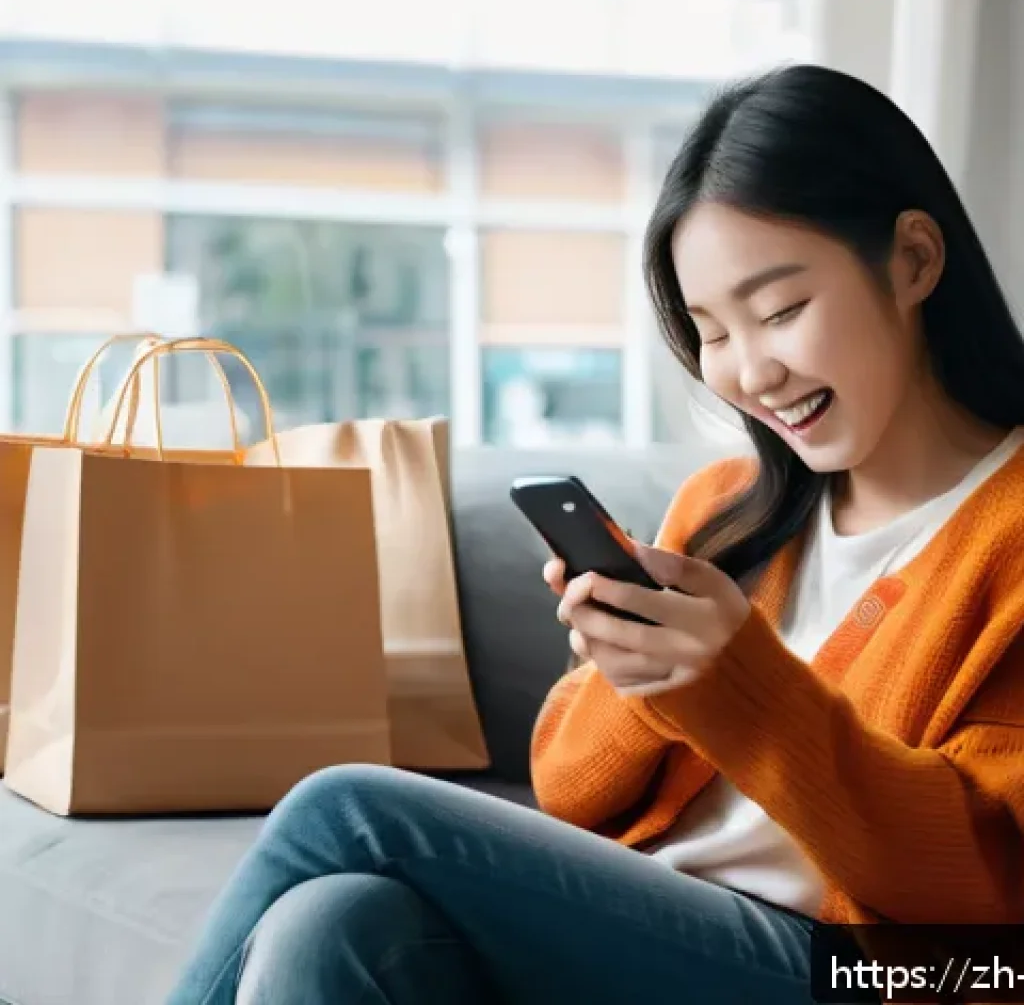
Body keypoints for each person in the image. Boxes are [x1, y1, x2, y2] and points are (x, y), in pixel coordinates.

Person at [167, 63, 1024, 1005]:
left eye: (780, 311)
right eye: (712, 331)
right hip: (659, 943)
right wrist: (645, 680)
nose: (750, 372)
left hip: (891, 977)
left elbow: (981, 888)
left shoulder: (1009, 532)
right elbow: (570, 790)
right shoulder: (727, 508)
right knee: (331, 924)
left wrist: (738, 689)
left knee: (346, 808)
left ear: (913, 260)